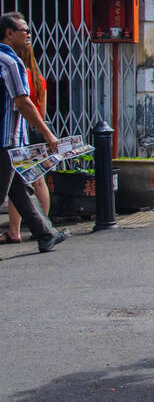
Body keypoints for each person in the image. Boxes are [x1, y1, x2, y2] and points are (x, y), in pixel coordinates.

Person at [0, 13, 65, 253]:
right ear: (8, 32)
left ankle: (45, 233)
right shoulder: (10, 62)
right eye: (24, 30)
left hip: (12, 140)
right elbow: (23, 102)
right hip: (6, 140)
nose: (28, 35)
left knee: (19, 190)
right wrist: (48, 134)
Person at [5, 36, 51, 242]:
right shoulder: (38, 80)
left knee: (20, 183)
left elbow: (22, 104)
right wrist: (45, 132)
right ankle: (44, 229)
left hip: (16, 133)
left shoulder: (12, 70)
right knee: (33, 182)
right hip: (31, 131)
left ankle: (15, 230)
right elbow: (41, 110)